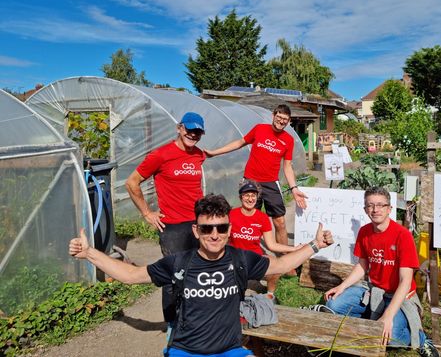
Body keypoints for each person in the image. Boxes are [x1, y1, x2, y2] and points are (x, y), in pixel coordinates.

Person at [69, 194, 334, 357]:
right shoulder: (178, 262)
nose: (215, 235)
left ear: (229, 230)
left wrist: (314, 246)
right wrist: (90, 254)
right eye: (207, 229)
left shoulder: (241, 259)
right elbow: (130, 275)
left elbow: (279, 265)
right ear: (196, 231)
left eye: (220, 228)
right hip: (186, 351)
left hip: (231, 351)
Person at [322, 187, 439, 357]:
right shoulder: (364, 232)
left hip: (400, 294)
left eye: (380, 205)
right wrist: (342, 286)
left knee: (390, 337)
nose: (375, 210)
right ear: (365, 209)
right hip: (374, 290)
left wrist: (388, 316)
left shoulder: (402, 235)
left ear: (389, 209)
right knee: (333, 304)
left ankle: (420, 338)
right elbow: (362, 266)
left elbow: (405, 281)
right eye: (370, 205)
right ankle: (371, 318)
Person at [125, 111, 206, 322]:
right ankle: (171, 322)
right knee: (174, 274)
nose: (193, 134)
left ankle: (193, 315)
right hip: (173, 226)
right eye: (189, 129)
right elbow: (132, 182)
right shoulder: (160, 155)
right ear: (179, 128)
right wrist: (146, 213)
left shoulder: (198, 154)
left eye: (198, 132)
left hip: (198, 222)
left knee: (197, 269)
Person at [205, 104, 307, 250]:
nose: (281, 121)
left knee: (280, 222)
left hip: (271, 183)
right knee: (249, 219)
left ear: (289, 121)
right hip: (250, 181)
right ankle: (247, 253)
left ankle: (287, 260)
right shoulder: (260, 129)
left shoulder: (288, 140)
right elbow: (240, 143)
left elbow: (287, 166)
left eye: (285, 119)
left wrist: (294, 188)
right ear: (273, 116)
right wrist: (214, 153)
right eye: (279, 117)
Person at [229, 180, 304, 296]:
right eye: (246, 195)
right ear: (240, 197)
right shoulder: (231, 215)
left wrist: (293, 249)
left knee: (275, 266)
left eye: (253, 195)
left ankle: (270, 294)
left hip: (255, 258)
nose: (250, 199)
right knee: (234, 293)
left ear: (257, 197)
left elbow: (271, 245)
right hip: (236, 258)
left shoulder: (262, 218)